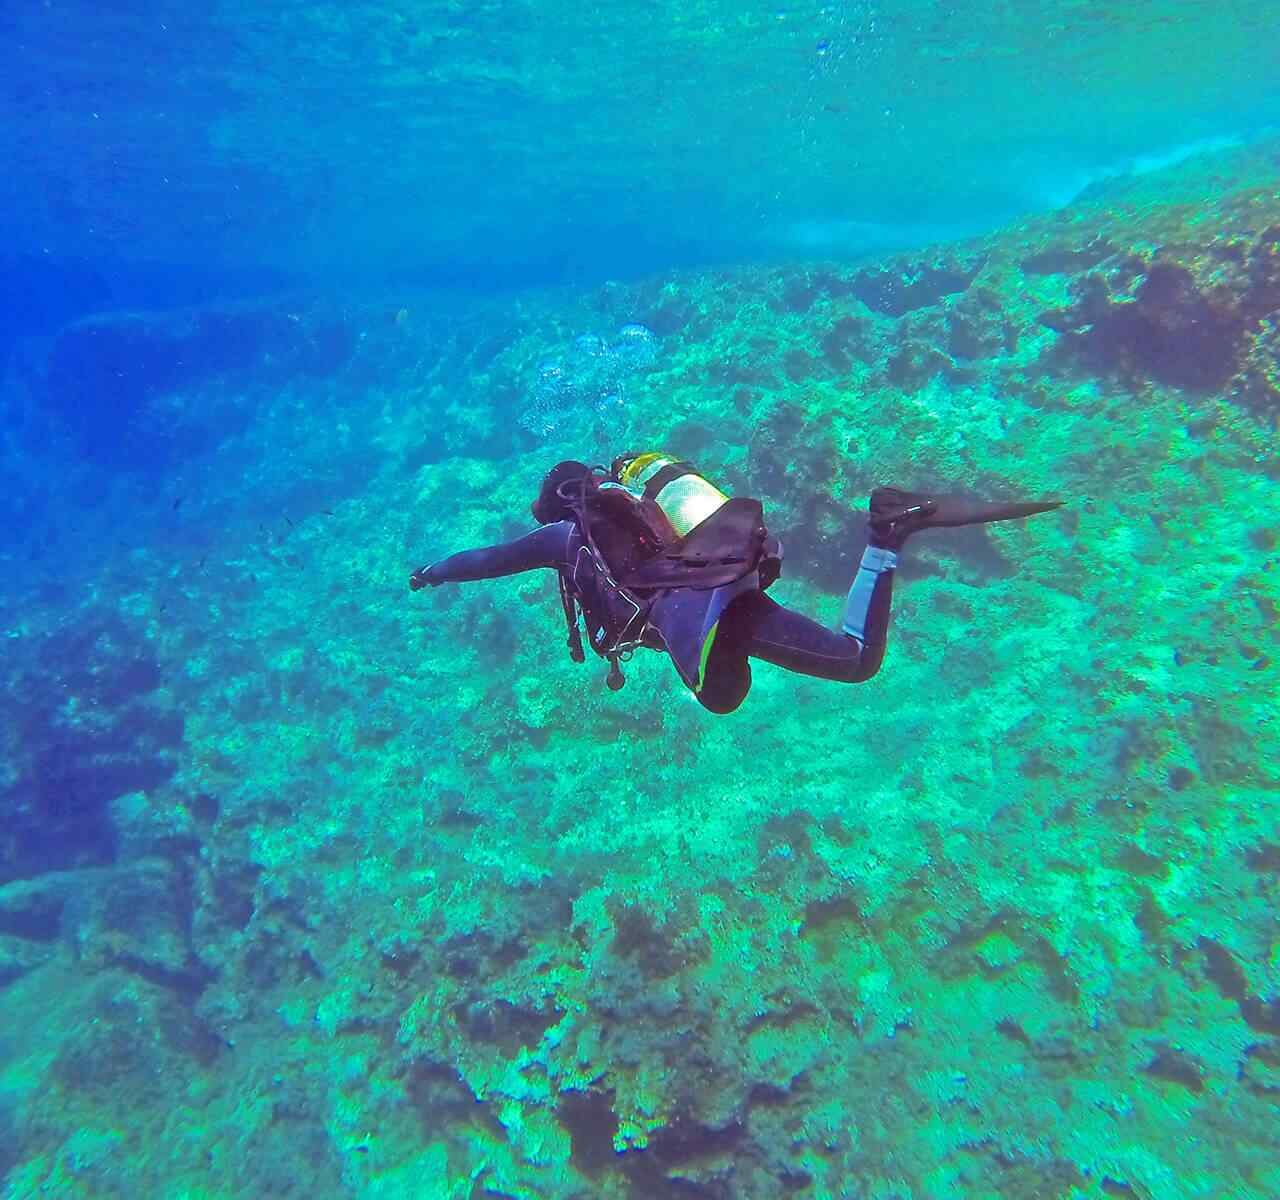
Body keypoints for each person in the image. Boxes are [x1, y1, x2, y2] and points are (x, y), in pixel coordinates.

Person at [409, 452, 1060, 715]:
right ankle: (886, 531)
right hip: (721, 588)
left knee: (788, 679)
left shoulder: (564, 536)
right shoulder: (637, 513)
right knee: (846, 661)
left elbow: (489, 559)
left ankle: (887, 531)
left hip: (699, 612)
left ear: (559, 503)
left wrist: (433, 572)